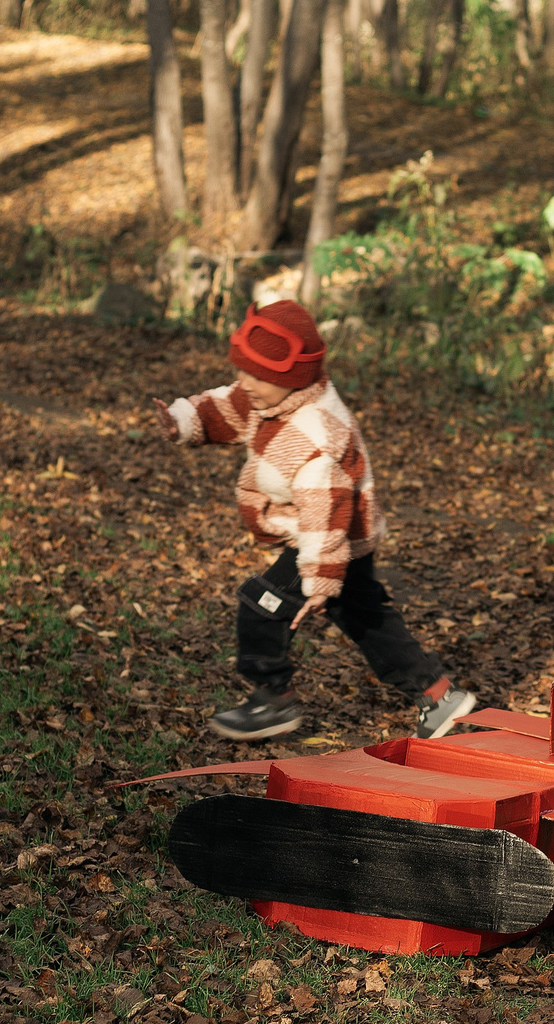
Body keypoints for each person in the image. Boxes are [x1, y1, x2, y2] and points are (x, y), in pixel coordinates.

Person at [154, 300, 479, 743]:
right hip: (334, 536)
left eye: (256, 376)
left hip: (326, 538)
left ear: (289, 378)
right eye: (242, 370)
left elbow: (324, 517)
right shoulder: (271, 396)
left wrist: (319, 582)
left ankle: (274, 699)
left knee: (260, 603)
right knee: (366, 618)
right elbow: (229, 406)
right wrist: (183, 420)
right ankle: (440, 697)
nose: (244, 383)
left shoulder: (318, 436)